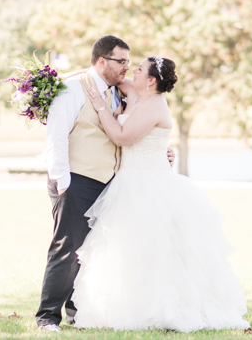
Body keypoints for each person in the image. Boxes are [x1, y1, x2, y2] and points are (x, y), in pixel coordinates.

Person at [71, 56, 250, 332]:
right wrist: (58, 77)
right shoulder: (133, 91)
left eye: (139, 69)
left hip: (148, 185)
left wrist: (100, 108)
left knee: (155, 249)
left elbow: (121, 137)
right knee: (125, 249)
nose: (133, 71)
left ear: (151, 80)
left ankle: (163, 309)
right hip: (127, 181)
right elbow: (99, 74)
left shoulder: (155, 105)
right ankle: (122, 307)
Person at [35, 35, 175, 331]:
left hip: (111, 183)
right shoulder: (73, 90)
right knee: (68, 248)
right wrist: (62, 180)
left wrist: (161, 150)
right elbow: (57, 136)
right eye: (121, 61)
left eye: (130, 62)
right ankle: (47, 317)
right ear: (102, 61)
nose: (127, 67)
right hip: (76, 179)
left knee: (94, 251)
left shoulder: (119, 92)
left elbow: (138, 132)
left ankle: (78, 310)